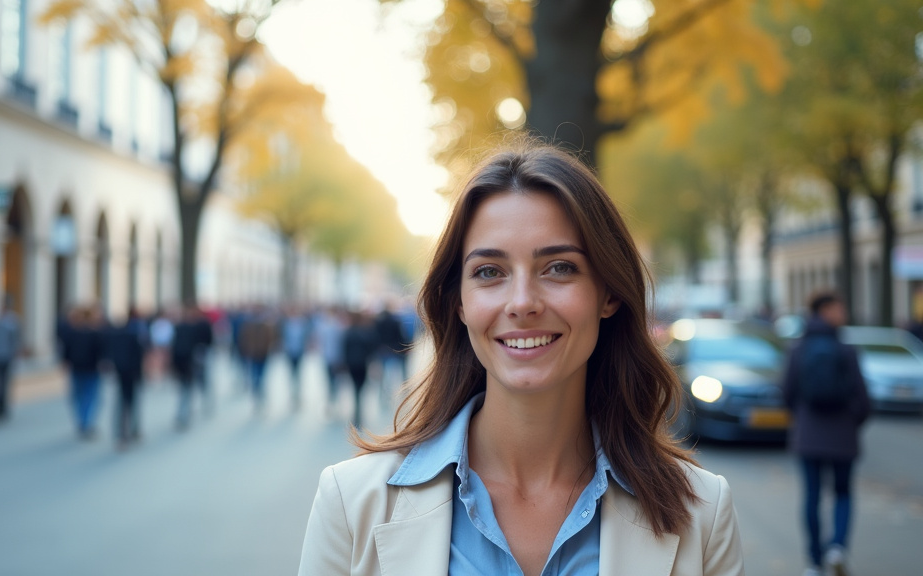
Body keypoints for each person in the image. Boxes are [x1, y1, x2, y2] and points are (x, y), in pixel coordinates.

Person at [298, 144, 744, 575]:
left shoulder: (701, 513)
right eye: (489, 272)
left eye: (559, 267)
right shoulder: (350, 501)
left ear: (608, 293)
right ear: (459, 302)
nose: (522, 302)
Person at [782, 291, 870, 576]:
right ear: (826, 311)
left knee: (812, 496)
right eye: (839, 309)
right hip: (843, 435)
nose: (843, 314)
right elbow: (863, 398)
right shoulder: (847, 350)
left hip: (809, 434)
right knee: (843, 493)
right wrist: (853, 422)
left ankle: (814, 561)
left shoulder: (798, 349)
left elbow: (786, 393)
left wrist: (802, 420)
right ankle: (837, 548)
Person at [104, 308, 147, 450]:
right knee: (131, 403)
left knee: (122, 404)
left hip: (122, 373)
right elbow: (140, 356)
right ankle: (132, 431)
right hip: (132, 374)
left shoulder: (114, 335)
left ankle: (122, 434)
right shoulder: (135, 335)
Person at [60, 304, 105, 439]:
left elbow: (66, 351)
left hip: (78, 368)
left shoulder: (73, 332)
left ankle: (83, 421)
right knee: (90, 397)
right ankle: (86, 423)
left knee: (79, 397)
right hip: (91, 369)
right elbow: (101, 352)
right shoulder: (95, 333)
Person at [342, 310, 378, 429]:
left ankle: (357, 413)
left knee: (356, 388)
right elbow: (371, 348)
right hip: (361, 364)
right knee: (359, 388)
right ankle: (358, 413)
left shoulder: (348, 332)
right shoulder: (365, 332)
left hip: (353, 364)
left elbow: (344, 349)